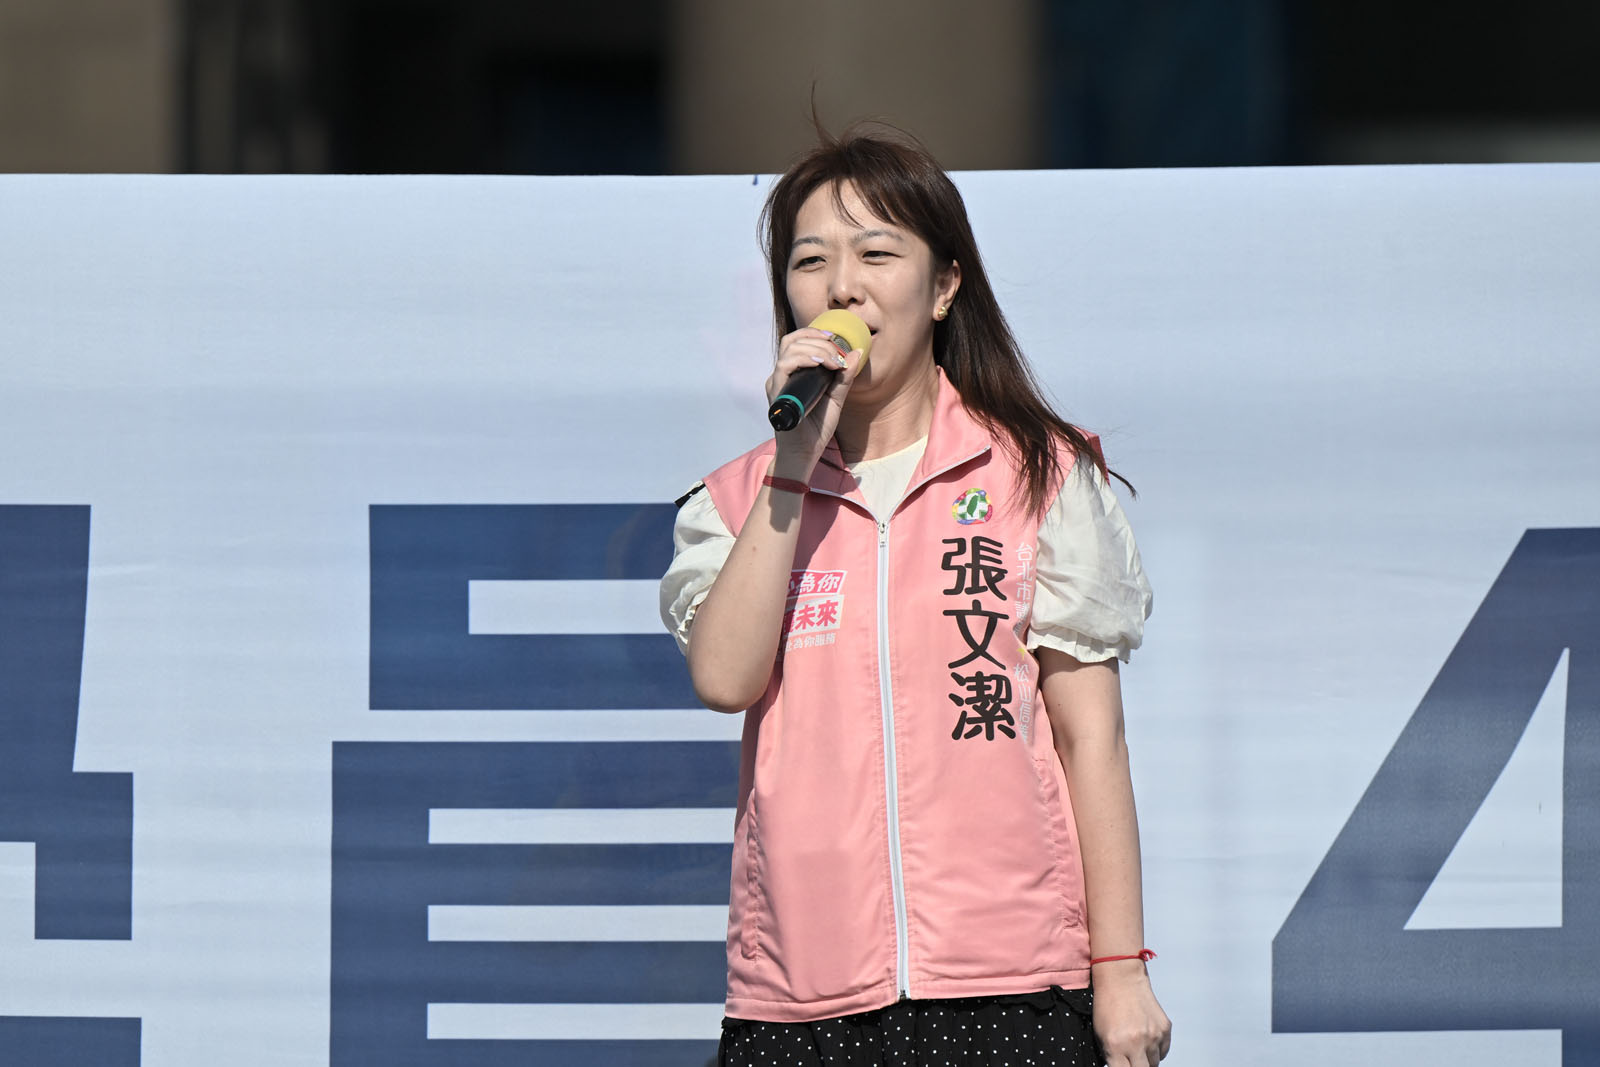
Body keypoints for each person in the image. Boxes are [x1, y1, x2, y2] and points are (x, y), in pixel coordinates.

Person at [660, 123, 1171, 1067]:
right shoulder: (735, 501)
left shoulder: (1038, 474)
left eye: (877, 253)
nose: (842, 287)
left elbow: (1089, 737)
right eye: (810, 261)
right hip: (800, 1004)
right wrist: (792, 466)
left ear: (943, 286)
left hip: (1012, 988)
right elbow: (725, 678)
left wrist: (1120, 968)